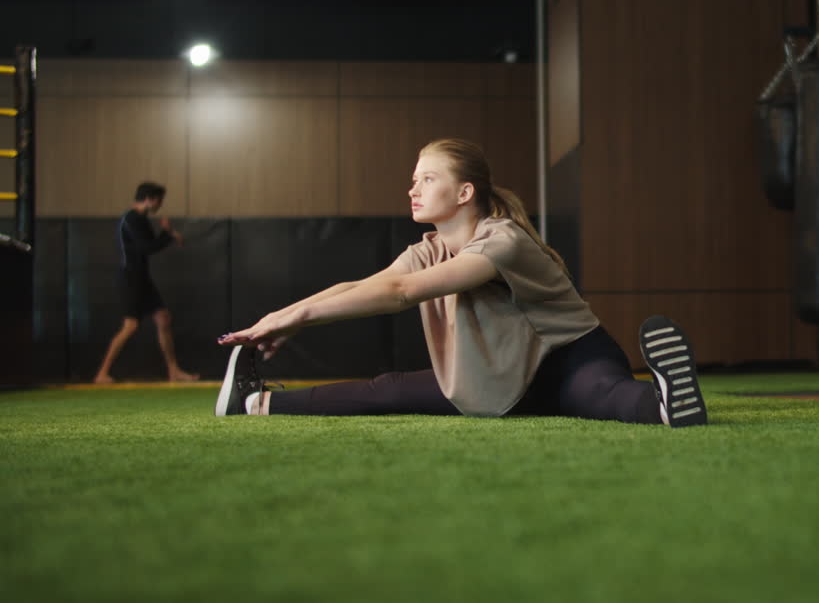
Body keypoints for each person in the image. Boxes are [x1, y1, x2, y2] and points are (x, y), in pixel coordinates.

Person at [214, 138, 708, 427]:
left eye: (428, 179)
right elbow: (360, 284)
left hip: (567, 358)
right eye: (414, 179)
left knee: (602, 394)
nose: (413, 188)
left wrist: (294, 317)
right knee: (388, 390)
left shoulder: (503, 240)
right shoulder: (428, 248)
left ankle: (665, 402)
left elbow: (401, 293)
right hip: (494, 376)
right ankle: (256, 401)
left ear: (465, 191)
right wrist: (286, 320)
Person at [94, 182, 199, 384]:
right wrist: (168, 235)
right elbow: (147, 248)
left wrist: (167, 235)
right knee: (130, 326)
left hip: (141, 277)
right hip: (130, 278)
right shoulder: (132, 219)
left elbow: (151, 245)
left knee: (163, 318)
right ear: (150, 199)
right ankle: (102, 373)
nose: (160, 205)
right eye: (159, 200)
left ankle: (173, 371)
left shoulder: (140, 219)